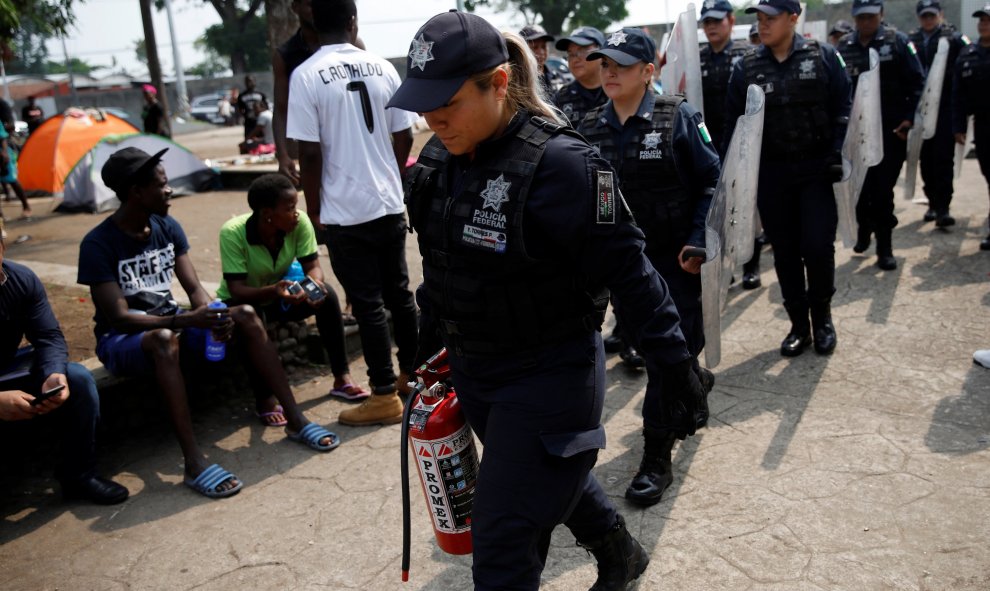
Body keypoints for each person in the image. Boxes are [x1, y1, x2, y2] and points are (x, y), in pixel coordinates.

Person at [389, 11, 708, 590]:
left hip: (548, 374)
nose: (432, 117)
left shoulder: (563, 166)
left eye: (449, 101)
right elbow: (439, 268)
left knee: (503, 538)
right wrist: (426, 346)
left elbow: (631, 271)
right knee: (546, 469)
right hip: (476, 372)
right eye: (423, 103)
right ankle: (618, 550)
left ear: (499, 83)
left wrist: (675, 363)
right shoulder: (436, 161)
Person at [77, 147, 340, 499]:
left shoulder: (167, 226)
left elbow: (195, 289)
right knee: (164, 339)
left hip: (173, 324)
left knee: (243, 314)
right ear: (136, 192)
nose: (170, 191)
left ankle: (295, 418)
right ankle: (194, 462)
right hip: (124, 339)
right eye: (162, 185)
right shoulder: (98, 244)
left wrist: (213, 314)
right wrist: (187, 318)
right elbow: (120, 318)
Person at [576, 27, 720, 507]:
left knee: (664, 357)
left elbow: (711, 181)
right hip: (624, 265)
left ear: (648, 71)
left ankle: (656, 457)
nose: (609, 71)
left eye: (620, 63)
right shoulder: (588, 127)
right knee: (652, 349)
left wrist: (699, 240)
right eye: (605, 63)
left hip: (674, 261)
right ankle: (693, 380)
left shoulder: (676, 117)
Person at [288, 0, 419, 426]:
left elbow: (307, 152)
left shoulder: (305, 75)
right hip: (386, 201)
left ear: (310, 23)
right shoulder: (382, 67)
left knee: (366, 304)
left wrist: (313, 208)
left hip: (344, 211)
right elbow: (403, 134)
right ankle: (412, 378)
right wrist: (392, 176)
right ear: (352, 22)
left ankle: (382, 395)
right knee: (399, 294)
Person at [726, 0, 852, 357]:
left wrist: (837, 152)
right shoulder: (746, 67)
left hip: (816, 171)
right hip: (772, 174)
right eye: (760, 19)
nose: (764, 25)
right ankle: (799, 324)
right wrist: (729, 174)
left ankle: (823, 318)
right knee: (785, 252)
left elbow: (845, 105)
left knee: (816, 246)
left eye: (772, 18)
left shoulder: (824, 56)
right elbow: (733, 125)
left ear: (793, 18)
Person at [1, 232, 129, 505]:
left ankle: (79, 476)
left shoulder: (19, 279)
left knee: (78, 379)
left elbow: (48, 337)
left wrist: (53, 374)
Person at [216, 173, 368, 402]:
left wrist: (313, 287)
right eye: (289, 208)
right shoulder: (233, 233)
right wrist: (274, 290)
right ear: (267, 214)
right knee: (250, 317)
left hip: (281, 295)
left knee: (328, 296)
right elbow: (236, 289)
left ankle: (342, 377)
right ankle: (264, 397)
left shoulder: (300, 222)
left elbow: (313, 267)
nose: (296, 213)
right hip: (245, 300)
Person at [836, 0, 925, 270]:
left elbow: (918, 83)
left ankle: (885, 248)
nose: (866, 22)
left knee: (883, 191)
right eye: (861, 17)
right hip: (855, 136)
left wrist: (909, 119)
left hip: (889, 132)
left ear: (881, 15)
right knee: (860, 191)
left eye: (871, 17)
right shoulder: (845, 47)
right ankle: (864, 230)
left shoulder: (897, 42)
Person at [700, 0, 764, 290]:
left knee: (747, 206)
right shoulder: (696, 58)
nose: (711, 26)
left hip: (741, 144)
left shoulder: (746, 57)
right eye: (706, 21)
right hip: (708, 146)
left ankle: (751, 265)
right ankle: (728, 266)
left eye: (716, 20)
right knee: (720, 209)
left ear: (730, 20)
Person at [909, 0, 969, 226]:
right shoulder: (912, 40)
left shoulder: (953, 38)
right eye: (924, 16)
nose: (928, 20)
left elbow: (969, 56)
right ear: (919, 18)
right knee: (925, 159)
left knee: (943, 159)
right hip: (920, 111)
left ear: (940, 15)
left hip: (945, 107)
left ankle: (944, 207)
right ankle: (933, 203)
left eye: (932, 16)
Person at [953, 3, 990, 250]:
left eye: (988, 20)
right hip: (984, 126)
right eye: (981, 20)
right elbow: (959, 94)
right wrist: (959, 126)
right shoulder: (968, 53)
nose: (983, 23)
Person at [552, 26, 608, 127]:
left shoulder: (617, 92)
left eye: (582, 51)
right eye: (571, 54)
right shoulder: (560, 99)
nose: (575, 59)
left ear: (601, 53)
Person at [520, 24, 565, 94]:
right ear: (522, 50)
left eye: (544, 47)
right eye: (535, 47)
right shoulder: (517, 81)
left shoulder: (556, 77)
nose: (541, 52)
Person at [0, 123, 32, 221]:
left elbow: (2, 136)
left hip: (2, 153)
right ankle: (1, 216)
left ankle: (26, 207)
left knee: (12, 180)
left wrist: (4, 152)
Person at [236, 76, 267, 141]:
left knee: (261, 140)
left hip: (259, 121)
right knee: (248, 140)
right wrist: (244, 116)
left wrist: (259, 112)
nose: (249, 83)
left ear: (254, 82)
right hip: (249, 122)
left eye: (251, 81)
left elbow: (266, 107)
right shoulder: (242, 96)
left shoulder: (260, 94)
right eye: (247, 81)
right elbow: (239, 109)